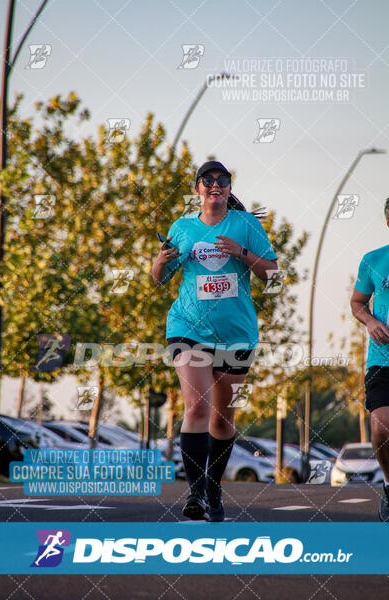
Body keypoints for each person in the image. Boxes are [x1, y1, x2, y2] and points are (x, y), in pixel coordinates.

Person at [151, 160, 278, 521]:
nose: (214, 185)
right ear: (198, 189)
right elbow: (160, 278)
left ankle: (213, 486)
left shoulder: (246, 225)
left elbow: (275, 275)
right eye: (207, 181)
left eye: (222, 180)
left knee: (222, 419)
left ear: (228, 188)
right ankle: (195, 495)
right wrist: (161, 261)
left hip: (237, 334)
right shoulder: (183, 227)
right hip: (188, 327)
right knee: (197, 408)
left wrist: (241, 253)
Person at [350, 197, 389, 521]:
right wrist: (371, 321)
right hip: (382, 360)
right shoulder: (374, 260)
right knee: (380, 428)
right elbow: (358, 303)